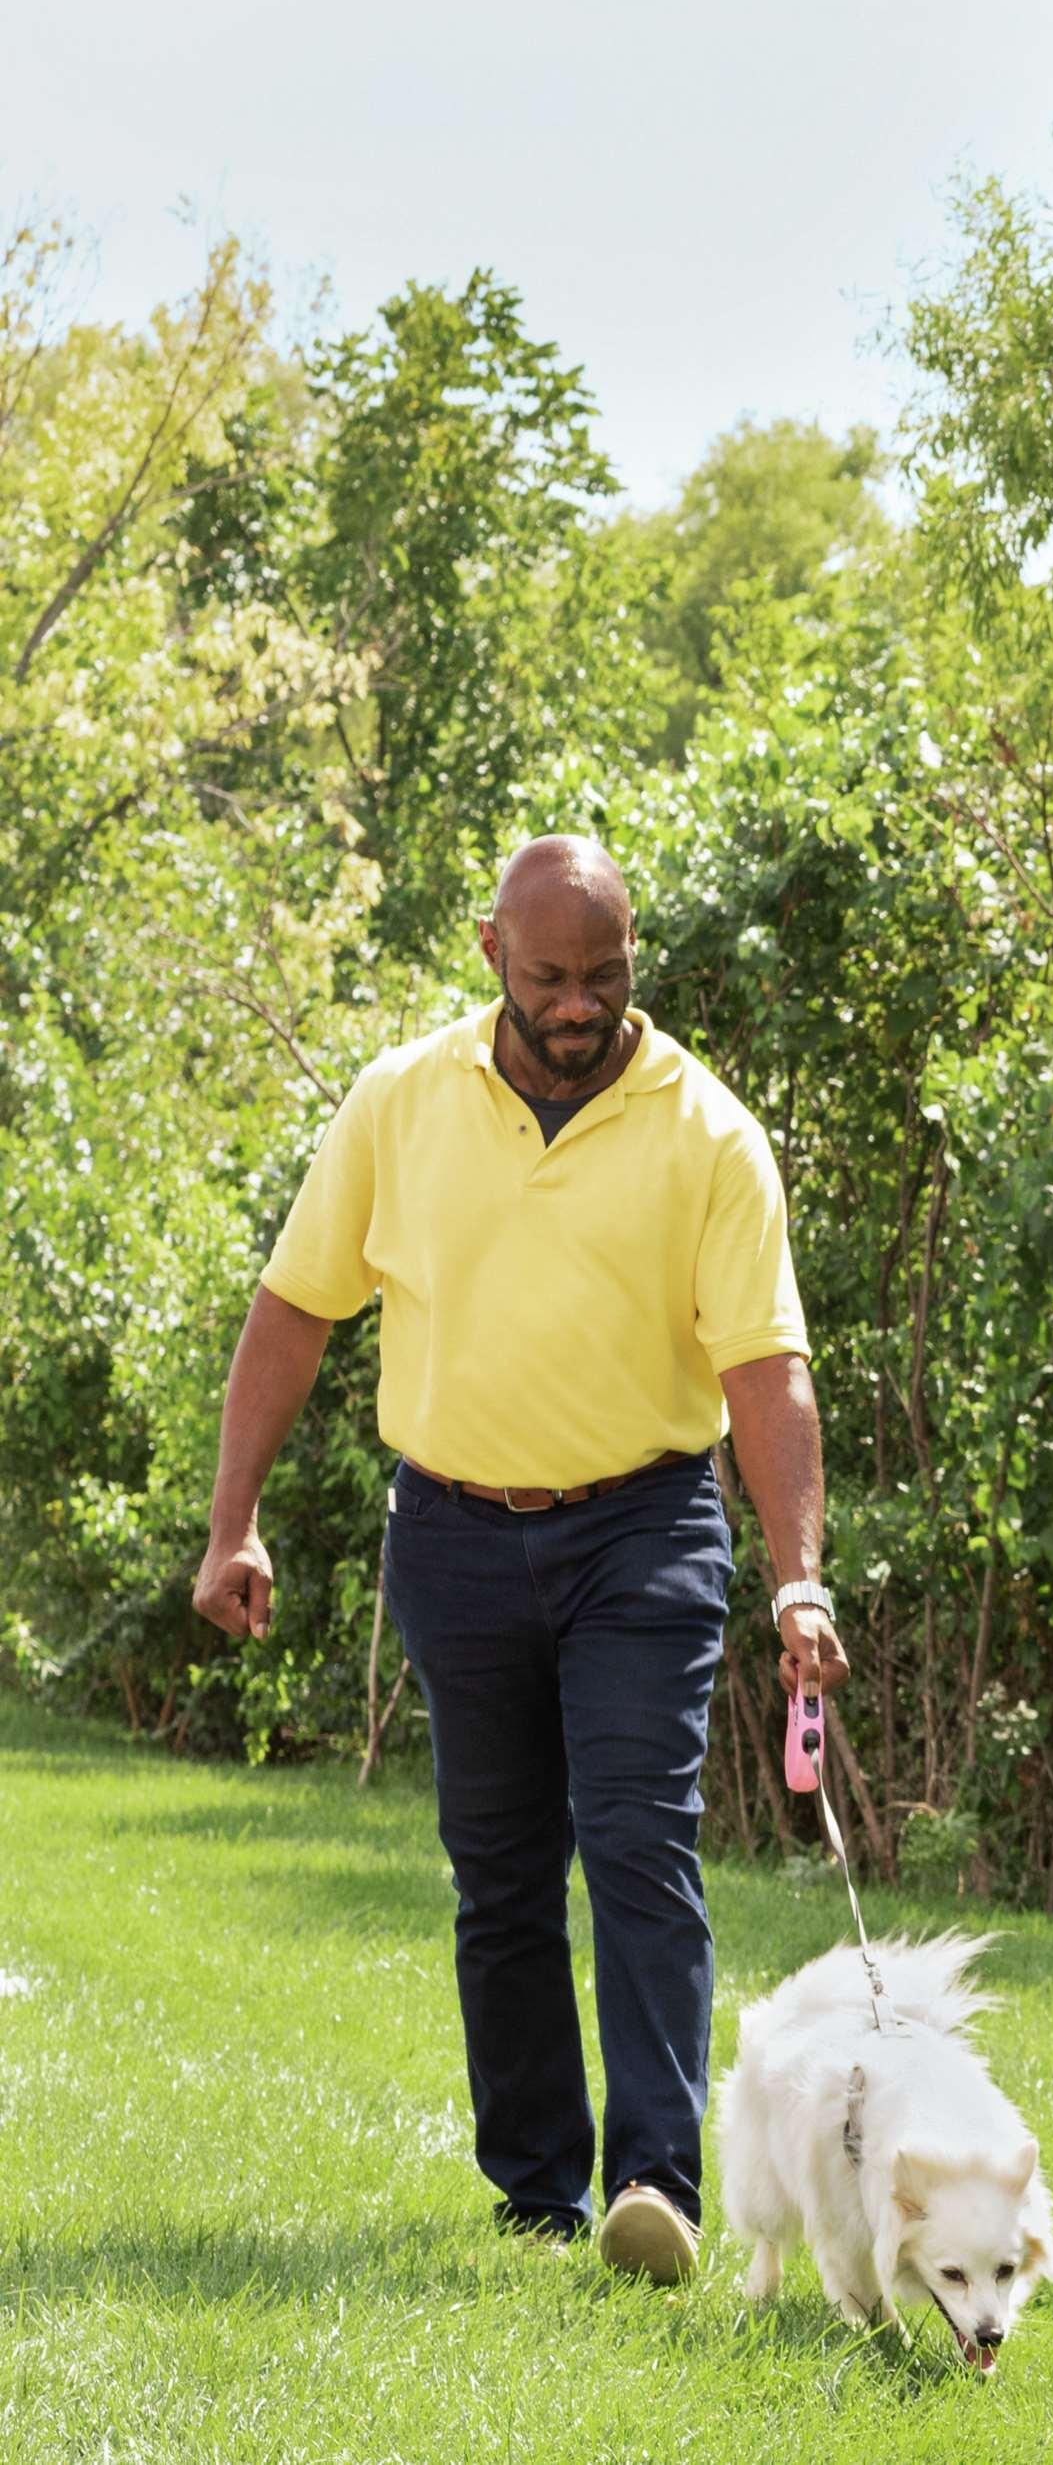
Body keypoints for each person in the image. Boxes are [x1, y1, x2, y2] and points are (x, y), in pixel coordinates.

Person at [188, 834, 852, 2281]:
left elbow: (766, 1371)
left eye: (603, 976)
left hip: (646, 1525)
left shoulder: (709, 1133)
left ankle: (657, 2189)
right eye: (549, 976)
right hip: (454, 1530)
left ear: (632, 962)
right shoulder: (401, 1102)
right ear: (491, 953)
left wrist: (797, 1573)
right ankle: (538, 2198)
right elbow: (295, 1311)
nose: (577, 1003)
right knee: (496, 1872)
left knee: (636, 1842)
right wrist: (232, 1520)